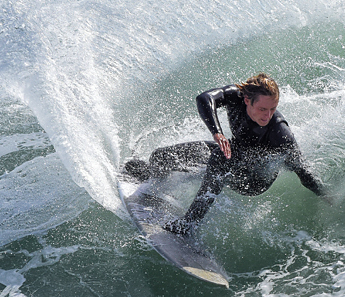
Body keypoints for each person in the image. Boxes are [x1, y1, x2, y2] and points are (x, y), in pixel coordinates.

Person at [123, 73, 327, 235]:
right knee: (161, 156)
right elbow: (204, 98)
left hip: (253, 181)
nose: (268, 115)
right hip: (232, 153)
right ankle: (151, 178)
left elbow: (302, 170)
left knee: (221, 158)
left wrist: (327, 197)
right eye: (263, 109)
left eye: (273, 109)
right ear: (247, 100)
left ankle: (188, 225)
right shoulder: (235, 97)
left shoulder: (279, 132)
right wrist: (217, 132)